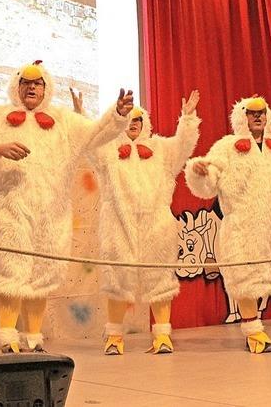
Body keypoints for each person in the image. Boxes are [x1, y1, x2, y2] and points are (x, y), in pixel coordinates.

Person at [0, 60, 133, 353]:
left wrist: (117, 115)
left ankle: (34, 338)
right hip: (9, 209)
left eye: (37, 83)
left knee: (43, 272)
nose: (31, 88)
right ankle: (7, 338)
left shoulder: (64, 120)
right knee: (11, 272)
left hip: (51, 213)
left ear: (46, 88)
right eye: (25, 83)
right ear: (16, 87)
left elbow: (96, 134)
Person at [72, 89, 201, 355]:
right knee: (118, 281)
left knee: (160, 280)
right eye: (129, 118)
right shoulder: (108, 151)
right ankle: (114, 338)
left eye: (138, 119)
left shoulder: (162, 150)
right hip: (118, 225)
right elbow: (89, 142)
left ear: (145, 124)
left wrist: (187, 119)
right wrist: (80, 114)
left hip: (157, 225)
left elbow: (184, 146)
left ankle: (163, 336)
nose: (133, 123)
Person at [185, 96, 271, 353]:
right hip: (242, 226)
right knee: (246, 277)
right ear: (241, 117)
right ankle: (254, 331)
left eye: (262, 112)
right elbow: (209, 182)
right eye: (252, 113)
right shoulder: (226, 147)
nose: (258, 117)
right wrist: (199, 171)